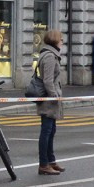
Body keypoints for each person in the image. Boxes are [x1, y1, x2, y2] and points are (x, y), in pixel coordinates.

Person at [36, 29, 65, 174]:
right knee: (46, 131)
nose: (62, 42)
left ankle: (51, 161)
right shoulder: (49, 57)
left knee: (51, 130)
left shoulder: (51, 55)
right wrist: (54, 96)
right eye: (61, 39)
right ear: (54, 40)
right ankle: (43, 164)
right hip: (49, 100)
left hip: (51, 99)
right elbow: (48, 80)